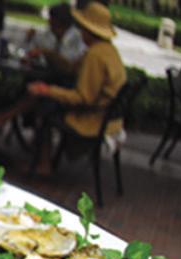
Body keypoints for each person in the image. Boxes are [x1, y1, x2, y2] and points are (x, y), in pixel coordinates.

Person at [27, 1, 126, 176]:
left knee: (44, 107)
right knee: (46, 100)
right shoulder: (109, 50)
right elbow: (71, 68)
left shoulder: (95, 56)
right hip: (108, 116)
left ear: (88, 30)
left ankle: (44, 164)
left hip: (93, 119)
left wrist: (47, 90)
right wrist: (48, 54)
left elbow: (82, 97)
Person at [26, 4, 86, 77]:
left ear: (58, 22)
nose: (48, 21)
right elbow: (36, 47)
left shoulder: (78, 39)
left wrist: (47, 53)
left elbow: (69, 66)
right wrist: (31, 38)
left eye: (51, 19)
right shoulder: (50, 34)